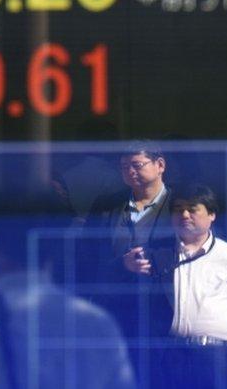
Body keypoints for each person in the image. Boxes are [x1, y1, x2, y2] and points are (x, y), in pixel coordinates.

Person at [126, 183, 227, 389]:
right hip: (174, 355)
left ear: (211, 215)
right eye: (178, 209)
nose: (184, 215)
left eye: (193, 209)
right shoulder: (155, 253)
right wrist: (125, 266)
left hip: (225, 355)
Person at [83, 142, 173, 383]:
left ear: (160, 165)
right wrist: (120, 265)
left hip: (167, 312)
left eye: (137, 165)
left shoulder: (181, 207)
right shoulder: (106, 206)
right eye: (124, 167)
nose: (130, 171)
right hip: (117, 310)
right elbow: (86, 256)